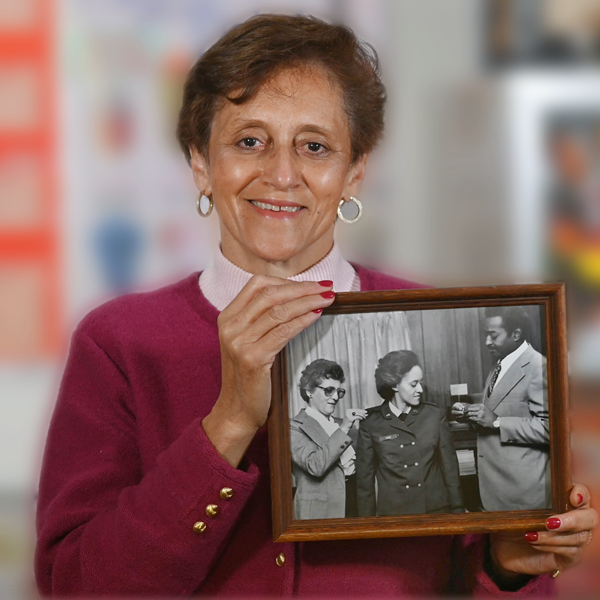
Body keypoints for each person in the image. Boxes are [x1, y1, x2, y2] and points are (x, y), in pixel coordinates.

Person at [35, 14, 597, 597]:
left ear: (354, 174)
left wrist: (506, 568)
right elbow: (75, 585)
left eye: (314, 146)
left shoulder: (443, 319)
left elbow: (493, 574)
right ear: (201, 164)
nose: (281, 174)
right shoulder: (119, 342)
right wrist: (228, 422)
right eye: (249, 141)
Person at [452, 306, 551, 512]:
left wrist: (497, 421)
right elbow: (496, 412)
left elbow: (550, 428)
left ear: (516, 334)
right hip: (497, 490)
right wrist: (471, 414)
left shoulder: (538, 367)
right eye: (485, 334)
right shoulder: (500, 363)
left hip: (523, 494)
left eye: (493, 335)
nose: (487, 342)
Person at [356, 350, 463, 516]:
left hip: (435, 509)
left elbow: (450, 469)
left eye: (421, 382)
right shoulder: (371, 422)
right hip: (395, 513)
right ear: (393, 384)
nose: (420, 389)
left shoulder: (434, 416)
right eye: (414, 384)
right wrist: (366, 523)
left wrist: (458, 509)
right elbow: (365, 481)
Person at [290, 359, 366, 519]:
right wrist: (344, 428)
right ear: (309, 391)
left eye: (339, 391)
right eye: (328, 390)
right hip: (319, 512)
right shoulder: (293, 427)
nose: (335, 397)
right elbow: (315, 466)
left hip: (352, 503)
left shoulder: (342, 424)